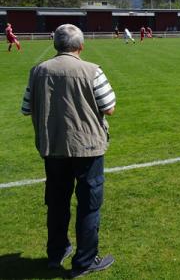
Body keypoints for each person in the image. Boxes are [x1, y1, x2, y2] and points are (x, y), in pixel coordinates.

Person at [20, 24, 116, 277]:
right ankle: (84, 261)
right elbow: (109, 107)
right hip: (87, 147)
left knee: (57, 202)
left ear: (56, 45)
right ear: (81, 46)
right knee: (89, 205)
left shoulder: (38, 71)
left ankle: (57, 253)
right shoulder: (92, 70)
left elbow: (26, 107)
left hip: (53, 147)